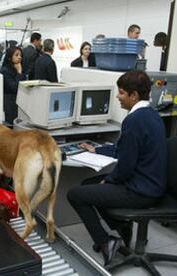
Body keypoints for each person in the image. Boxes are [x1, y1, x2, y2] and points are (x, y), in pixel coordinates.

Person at [67, 70, 167, 266]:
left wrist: (109, 180)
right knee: (89, 183)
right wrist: (97, 149)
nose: (118, 97)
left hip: (140, 191)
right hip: (152, 184)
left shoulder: (134, 120)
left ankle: (106, 242)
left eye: (121, 93)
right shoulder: (151, 115)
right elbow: (125, 149)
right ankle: (122, 226)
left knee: (75, 194)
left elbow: (126, 167)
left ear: (134, 95)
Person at [0, 47, 26, 125]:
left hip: (19, 101)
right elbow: (14, 87)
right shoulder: (5, 70)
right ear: (10, 57)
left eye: (20, 55)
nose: (19, 57)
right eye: (16, 55)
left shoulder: (18, 67)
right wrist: (19, 72)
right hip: (9, 102)